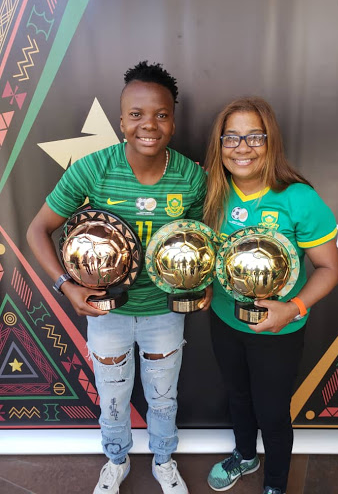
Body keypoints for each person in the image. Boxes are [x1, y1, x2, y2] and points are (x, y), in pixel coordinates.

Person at [27, 60, 210, 494]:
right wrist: (66, 285)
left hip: (164, 313)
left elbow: (204, 244)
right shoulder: (92, 169)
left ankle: (165, 461)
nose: (149, 124)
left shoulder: (191, 178)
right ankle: (116, 460)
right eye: (136, 114)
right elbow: (38, 229)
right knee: (112, 397)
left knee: (163, 398)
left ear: (173, 119)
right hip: (105, 312)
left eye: (161, 115)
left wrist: (201, 286)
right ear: (121, 119)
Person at [203, 97, 338, 494]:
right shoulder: (213, 192)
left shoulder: (299, 198)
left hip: (277, 332)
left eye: (254, 136)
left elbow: (331, 270)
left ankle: (276, 484)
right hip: (225, 321)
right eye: (231, 137)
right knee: (237, 396)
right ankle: (245, 457)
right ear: (219, 143)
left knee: (273, 412)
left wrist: (292, 308)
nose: (242, 147)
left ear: (271, 142)